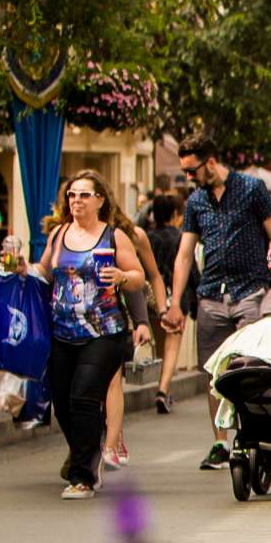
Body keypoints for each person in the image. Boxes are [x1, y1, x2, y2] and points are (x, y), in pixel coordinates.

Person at [167, 140, 271, 470]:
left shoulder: (251, 189)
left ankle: (252, 435)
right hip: (210, 296)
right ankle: (220, 442)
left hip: (250, 291)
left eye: (192, 170)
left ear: (210, 162)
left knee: (250, 369)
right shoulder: (196, 201)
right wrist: (175, 302)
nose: (189, 177)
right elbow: (183, 255)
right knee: (214, 373)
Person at [21, 171, 142, 499]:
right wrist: (23, 269)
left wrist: (120, 276)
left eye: (84, 195)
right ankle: (88, 450)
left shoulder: (114, 237)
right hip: (62, 331)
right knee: (62, 403)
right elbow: (45, 271)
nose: (76, 201)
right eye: (72, 195)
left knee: (84, 396)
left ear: (100, 200)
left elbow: (138, 277)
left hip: (104, 332)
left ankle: (83, 476)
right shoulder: (59, 234)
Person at [99, 187, 168, 472]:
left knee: (113, 379)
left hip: (123, 311)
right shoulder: (77, 235)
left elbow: (150, 277)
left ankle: (112, 440)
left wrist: (154, 315)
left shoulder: (131, 236)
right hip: (90, 315)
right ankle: (105, 435)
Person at [145, 192, 186, 414]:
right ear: (174, 214)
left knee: (161, 346)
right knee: (172, 346)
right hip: (176, 297)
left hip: (153, 298)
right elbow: (192, 271)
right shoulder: (180, 237)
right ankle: (163, 390)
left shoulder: (148, 237)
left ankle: (163, 388)